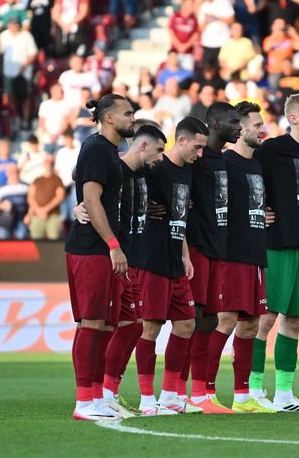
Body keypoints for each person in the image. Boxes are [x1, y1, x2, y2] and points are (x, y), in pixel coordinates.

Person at [127, 117, 208, 416]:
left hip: (175, 257)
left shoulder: (187, 172)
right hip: (151, 258)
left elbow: (179, 217)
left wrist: (185, 254)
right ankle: (148, 400)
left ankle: (171, 395)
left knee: (187, 323)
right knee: (150, 328)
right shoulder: (155, 169)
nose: (199, 154)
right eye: (197, 147)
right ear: (182, 140)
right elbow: (127, 186)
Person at [64, 94, 135, 421]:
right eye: (127, 113)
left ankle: (96, 397)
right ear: (109, 118)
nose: (132, 119)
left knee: (107, 324)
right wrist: (112, 244)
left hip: (104, 249)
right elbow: (91, 200)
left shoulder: (109, 151)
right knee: (91, 322)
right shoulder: (95, 149)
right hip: (92, 249)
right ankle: (83, 401)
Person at [253, 93, 299, 412]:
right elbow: (249, 181)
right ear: (293, 118)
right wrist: (256, 210)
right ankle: (252, 390)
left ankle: (283, 394)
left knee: (294, 320)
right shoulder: (271, 149)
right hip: (276, 244)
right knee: (265, 319)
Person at [218, 102, 278, 413]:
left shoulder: (256, 165)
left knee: (251, 325)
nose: (261, 129)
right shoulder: (225, 163)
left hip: (256, 254)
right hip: (231, 254)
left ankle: (243, 398)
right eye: (256, 125)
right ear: (240, 128)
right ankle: (203, 392)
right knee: (225, 320)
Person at [184, 102, 241, 414]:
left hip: (218, 248)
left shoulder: (223, 159)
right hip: (196, 247)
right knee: (193, 320)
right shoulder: (197, 157)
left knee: (208, 320)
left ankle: (199, 393)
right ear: (215, 123)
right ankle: (178, 392)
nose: (239, 126)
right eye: (233, 121)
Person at [25, 154, 65, 240]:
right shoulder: (36, 180)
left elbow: (60, 197)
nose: (49, 163)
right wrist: (37, 211)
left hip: (53, 215)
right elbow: (30, 197)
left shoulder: (57, 180)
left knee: (54, 242)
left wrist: (45, 210)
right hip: (36, 215)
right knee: (36, 243)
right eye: (47, 161)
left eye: (51, 162)